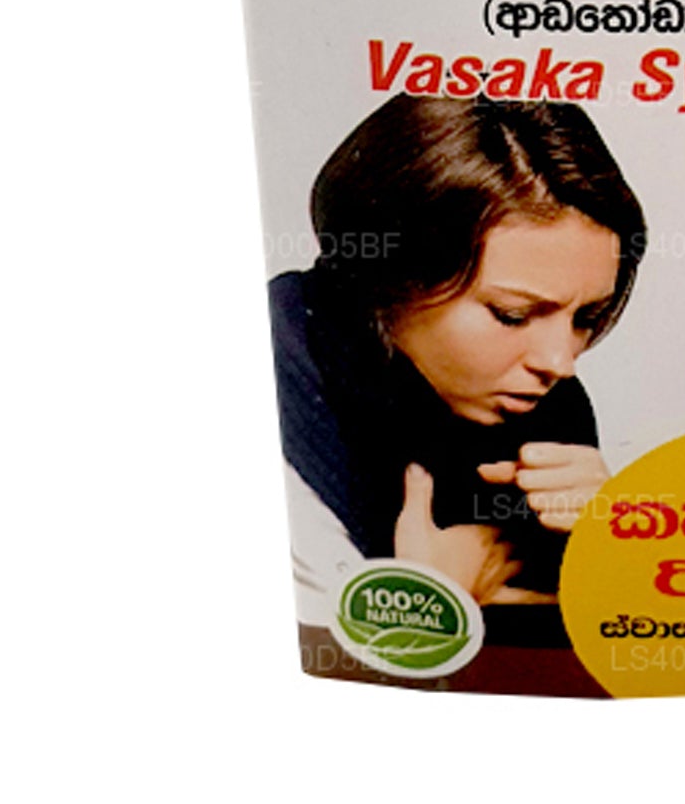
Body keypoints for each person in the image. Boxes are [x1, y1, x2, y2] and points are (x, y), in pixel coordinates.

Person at [270, 94, 645, 642]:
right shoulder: (275, 380)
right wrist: (430, 593)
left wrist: (613, 548)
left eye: (585, 317)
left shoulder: (554, 413)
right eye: (512, 314)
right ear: (391, 280)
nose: (561, 362)